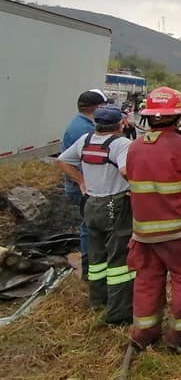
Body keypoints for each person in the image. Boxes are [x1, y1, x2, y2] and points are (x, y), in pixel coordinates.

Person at [126, 86, 181, 352]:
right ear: (178, 115)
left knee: (146, 282)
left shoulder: (135, 147)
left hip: (143, 235)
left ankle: (144, 333)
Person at [56, 105, 134, 325]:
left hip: (90, 203)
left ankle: (97, 300)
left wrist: (81, 181)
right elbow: (126, 170)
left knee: (97, 255)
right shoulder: (121, 144)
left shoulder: (86, 140)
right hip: (113, 205)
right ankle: (119, 312)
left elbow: (61, 161)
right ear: (120, 124)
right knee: (118, 259)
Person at [62, 88, 108, 278]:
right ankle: (90, 266)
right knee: (89, 226)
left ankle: (92, 263)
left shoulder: (81, 123)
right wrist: (82, 182)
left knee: (89, 224)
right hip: (83, 187)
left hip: (81, 185)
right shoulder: (85, 130)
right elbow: (64, 161)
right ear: (97, 108)